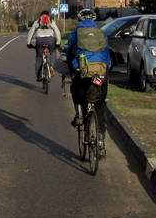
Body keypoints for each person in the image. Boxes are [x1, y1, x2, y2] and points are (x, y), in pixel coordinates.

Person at [66, 9, 111, 157]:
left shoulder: (75, 33)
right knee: (101, 103)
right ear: (94, 19)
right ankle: (100, 142)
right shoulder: (101, 33)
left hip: (83, 71)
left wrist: (71, 65)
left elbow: (70, 52)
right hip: (100, 73)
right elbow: (107, 55)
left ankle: (79, 114)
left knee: (75, 89)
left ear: (79, 19)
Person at [26, 10, 61, 81]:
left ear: (40, 15)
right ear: (48, 15)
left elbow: (31, 32)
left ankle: (39, 76)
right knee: (52, 52)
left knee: (39, 58)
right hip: (50, 40)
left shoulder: (37, 21)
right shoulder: (51, 21)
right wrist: (58, 42)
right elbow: (57, 31)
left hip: (40, 41)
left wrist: (29, 43)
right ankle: (51, 66)